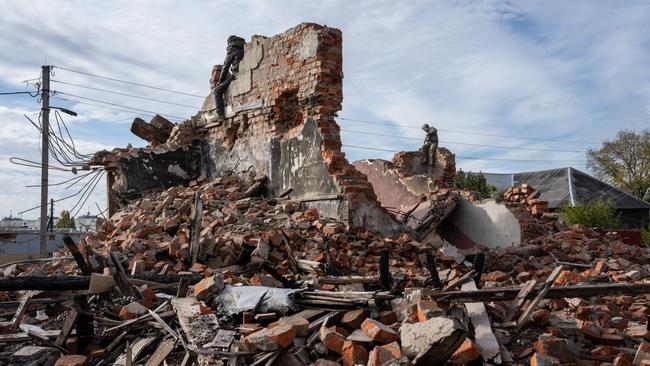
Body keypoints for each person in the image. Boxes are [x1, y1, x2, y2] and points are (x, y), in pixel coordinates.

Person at [214, 35, 246, 120]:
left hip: (235, 75)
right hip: (243, 74)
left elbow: (225, 67)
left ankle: (220, 115)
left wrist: (220, 82)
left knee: (217, 91)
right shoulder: (244, 48)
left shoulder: (231, 50)